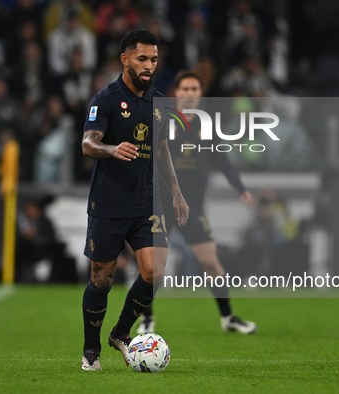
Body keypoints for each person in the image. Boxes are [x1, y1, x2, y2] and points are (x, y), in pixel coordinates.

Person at [80, 29, 189, 371]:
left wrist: (176, 192)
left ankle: (121, 333)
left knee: (155, 272)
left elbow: (162, 151)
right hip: (109, 202)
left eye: (154, 59)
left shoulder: (158, 102)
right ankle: (90, 350)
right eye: (142, 58)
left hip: (147, 202)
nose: (149, 66)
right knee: (102, 278)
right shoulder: (106, 100)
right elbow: (87, 144)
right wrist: (111, 148)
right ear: (125, 59)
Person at [138, 70, 257, 335]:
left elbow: (223, 160)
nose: (190, 94)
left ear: (200, 94)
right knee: (154, 269)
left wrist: (241, 189)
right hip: (161, 206)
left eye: (195, 89)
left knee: (211, 262)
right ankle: (146, 319)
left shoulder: (206, 126)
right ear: (176, 93)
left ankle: (228, 318)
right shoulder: (163, 120)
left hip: (193, 208)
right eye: (185, 89)